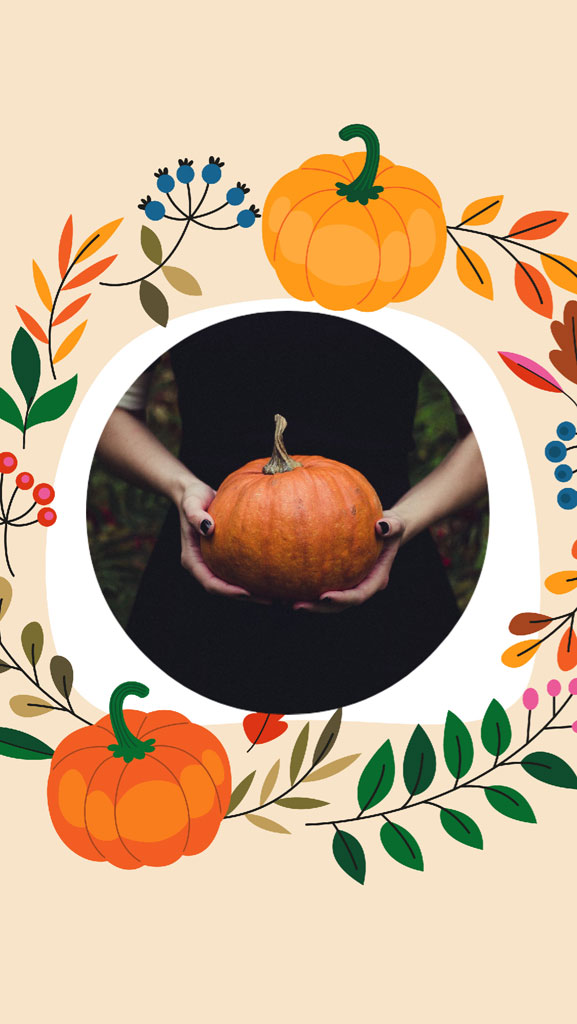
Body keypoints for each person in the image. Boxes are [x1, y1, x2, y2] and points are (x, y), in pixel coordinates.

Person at [95, 311, 487, 713]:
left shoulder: (429, 263)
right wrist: (182, 489)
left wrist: (405, 520)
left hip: (383, 554)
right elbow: (100, 409)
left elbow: (495, 427)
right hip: (209, 546)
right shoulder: (163, 264)